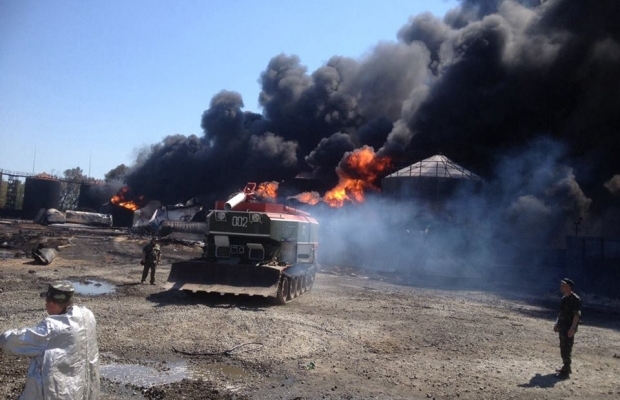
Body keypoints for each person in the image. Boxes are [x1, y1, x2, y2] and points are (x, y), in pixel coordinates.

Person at [0, 281, 100, 399]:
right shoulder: (88, 316)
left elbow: (11, 342)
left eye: (46, 302)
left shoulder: (52, 328)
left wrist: (4, 336)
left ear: (52, 304)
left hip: (58, 393)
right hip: (82, 390)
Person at [553, 277, 581, 379]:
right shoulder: (564, 299)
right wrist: (557, 324)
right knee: (562, 347)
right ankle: (565, 367)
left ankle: (566, 371)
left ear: (569, 287)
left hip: (569, 327)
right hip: (562, 326)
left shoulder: (575, 299)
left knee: (567, 349)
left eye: (563, 285)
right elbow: (561, 313)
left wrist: (572, 328)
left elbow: (576, 315)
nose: (561, 287)